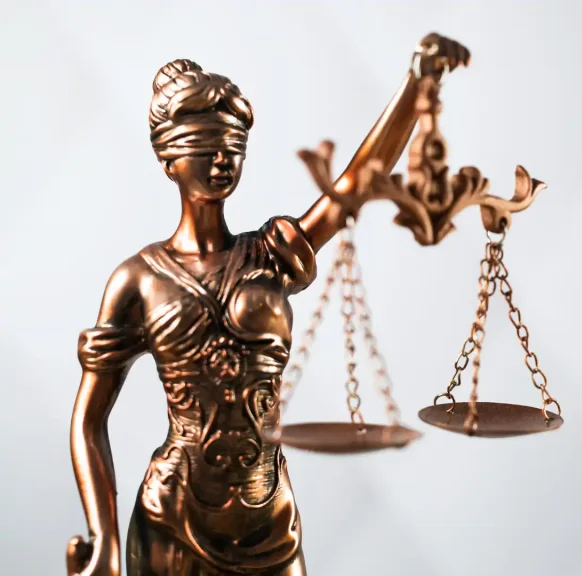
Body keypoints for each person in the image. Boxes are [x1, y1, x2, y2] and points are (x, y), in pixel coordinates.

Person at [66, 33, 469, 576]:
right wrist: (104, 537)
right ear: (168, 159)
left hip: (268, 519)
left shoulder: (271, 253)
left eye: (232, 150)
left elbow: (355, 182)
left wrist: (419, 83)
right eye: (204, 150)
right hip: (171, 520)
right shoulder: (137, 280)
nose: (221, 162)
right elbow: (90, 420)